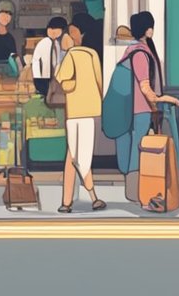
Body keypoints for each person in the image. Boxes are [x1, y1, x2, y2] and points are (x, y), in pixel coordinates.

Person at [106, 13, 179, 203]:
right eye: (150, 26)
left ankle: (132, 188)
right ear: (146, 29)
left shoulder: (132, 51)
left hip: (125, 108)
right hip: (139, 109)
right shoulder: (140, 53)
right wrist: (161, 98)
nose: (152, 29)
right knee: (137, 147)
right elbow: (145, 87)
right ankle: (134, 190)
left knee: (127, 146)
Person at [55, 13, 106, 213]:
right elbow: (99, 82)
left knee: (75, 155)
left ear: (79, 32)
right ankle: (79, 199)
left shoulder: (72, 54)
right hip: (92, 109)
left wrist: (63, 53)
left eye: (72, 30)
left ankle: (74, 201)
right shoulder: (92, 54)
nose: (69, 33)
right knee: (77, 155)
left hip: (76, 110)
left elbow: (60, 76)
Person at [32, 17, 68, 98]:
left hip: (53, 76)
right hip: (43, 76)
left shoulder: (57, 44)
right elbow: (35, 60)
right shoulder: (43, 42)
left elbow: (57, 61)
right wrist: (37, 76)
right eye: (51, 28)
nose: (53, 31)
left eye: (56, 29)